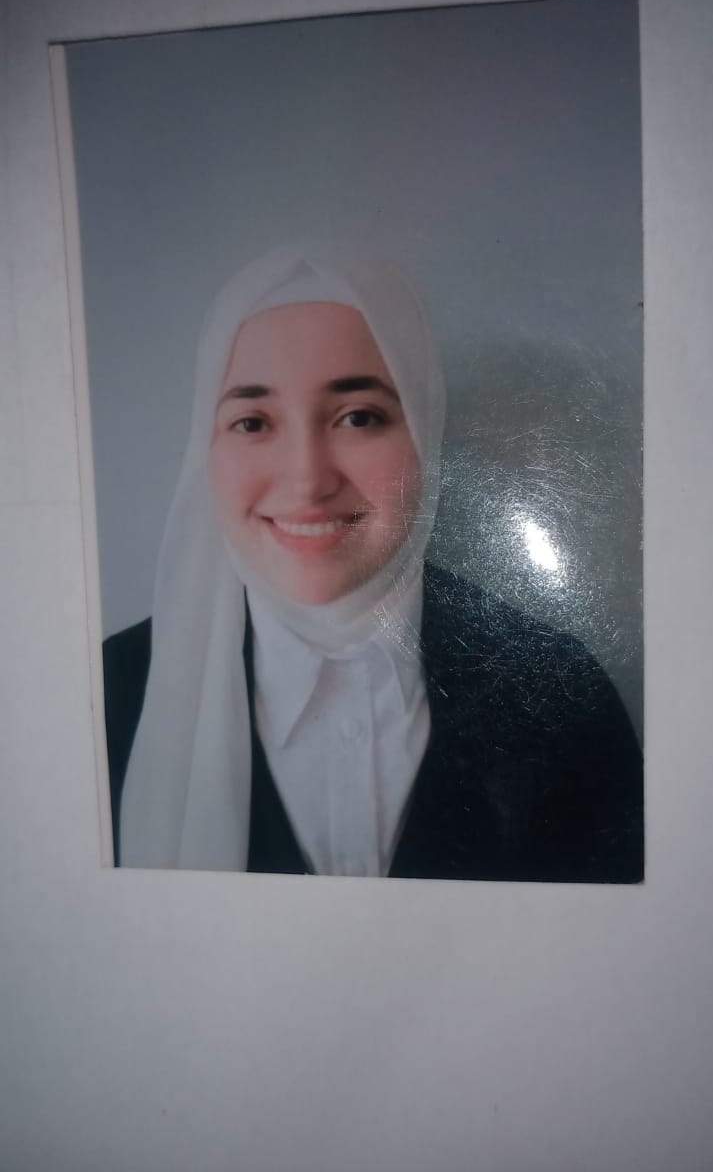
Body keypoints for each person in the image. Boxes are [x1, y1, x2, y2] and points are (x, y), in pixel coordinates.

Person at [103, 245, 643, 881]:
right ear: (206, 449)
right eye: (252, 422)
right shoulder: (110, 696)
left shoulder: (562, 697)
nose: (307, 480)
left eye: (358, 417)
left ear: (425, 429)